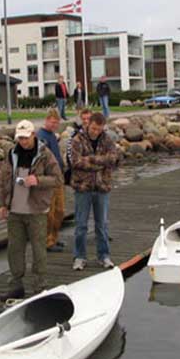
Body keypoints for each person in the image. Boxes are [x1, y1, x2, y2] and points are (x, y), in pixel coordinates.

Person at [0, 120, 62, 301]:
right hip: (15, 211)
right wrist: (2, 204)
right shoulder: (11, 153)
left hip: (36, 211)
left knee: (38, 250)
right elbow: (4, 180)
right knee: (14, 249)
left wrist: (38, 180)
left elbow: (58, 179)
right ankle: (16, 286)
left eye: (26, 138)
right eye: (20, 138)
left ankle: (40, 286)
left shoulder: (45, 154)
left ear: (33, 135)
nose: (23, 141)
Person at [70, 112, 120, 270]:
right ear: (88, 124)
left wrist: (90, 160)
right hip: (82, 187)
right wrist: (100, 162)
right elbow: (75, 162)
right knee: (81, 225)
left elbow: (113, 159)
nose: (95, 131)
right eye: (93, 128)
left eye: (99, 129)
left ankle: (104, 256)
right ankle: (79, 257)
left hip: (102, 187)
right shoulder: (77, 139)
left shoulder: (107, 139)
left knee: (102, 225)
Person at [36, 109, 66, 252]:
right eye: (53, 122)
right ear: (47, 120)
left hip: (58, 178)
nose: (55, 125)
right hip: (49, 180)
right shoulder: (41, 137)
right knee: (49, 213)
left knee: (60, 211)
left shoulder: (52, 136)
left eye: (57, 123)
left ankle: (54, 237)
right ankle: (48, 241)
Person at [64, 108, 92, 186]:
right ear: (81, 119)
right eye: (84, 119)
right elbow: (69, 157)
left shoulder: (99, 134)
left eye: (88, 119)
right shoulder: (74, 135)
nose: (86, 121)